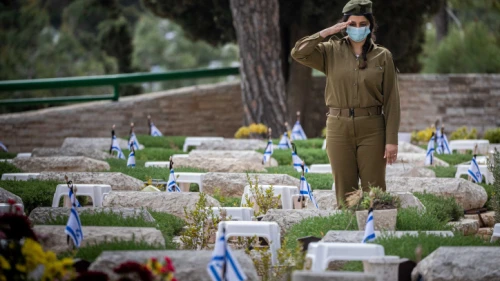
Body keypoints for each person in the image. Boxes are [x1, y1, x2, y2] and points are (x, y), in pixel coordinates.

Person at [290, 0, 401, 206]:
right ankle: (349, 233)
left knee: (374, 191)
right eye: (352, 24)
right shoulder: (330, 51)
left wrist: (391, 139)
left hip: (372, 128)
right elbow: (298, 52)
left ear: (370, 26)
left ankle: (377, 231)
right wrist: (325, 32)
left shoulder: (382, 56)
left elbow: (392, 100)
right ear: (344, 26)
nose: (357, 28)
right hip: (338, 127)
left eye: (362, 24)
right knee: (345, 193)